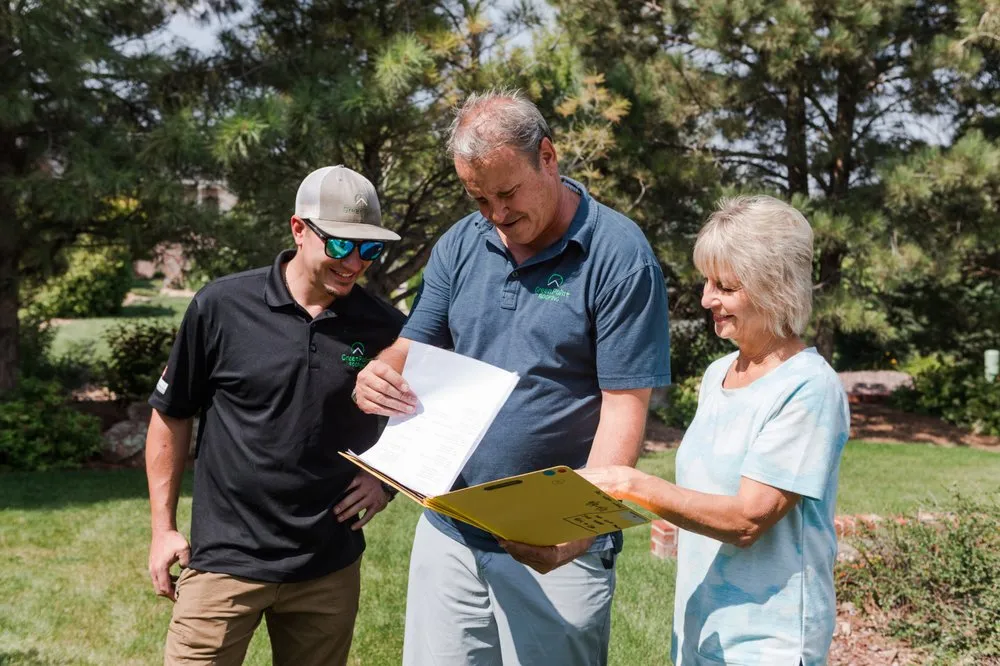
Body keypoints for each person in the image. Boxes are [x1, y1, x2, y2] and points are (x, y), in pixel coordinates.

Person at [353, 90, 671, 665]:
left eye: (507, 193)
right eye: (478, 199)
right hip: (449, 528)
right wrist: (376, 374)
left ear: (547, 157)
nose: (496, 215)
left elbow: (624, 406)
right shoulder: (459, 244)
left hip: (555, 541)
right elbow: (412, 346)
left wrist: (576, 531)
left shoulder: (619, 256)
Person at [145, 165, 406, 666]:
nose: (354, 263)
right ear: (298, 229)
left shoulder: (383, 327)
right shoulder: (221, 307)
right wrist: (163, 529)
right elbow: (171, 415)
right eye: (341, 245)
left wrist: (386, 481)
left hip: (327, 568)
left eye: (369, 249)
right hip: (224, 562)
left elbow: (423, 415)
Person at [581, 195, 850, 666]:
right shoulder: (718, 374)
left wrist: (632, 483)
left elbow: (748, 519)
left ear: (774, 287)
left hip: (770, 642)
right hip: (702, 630)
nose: (707, 298)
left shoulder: (809, 387)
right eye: (708, 282)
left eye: (725, 286)